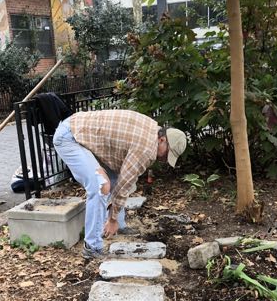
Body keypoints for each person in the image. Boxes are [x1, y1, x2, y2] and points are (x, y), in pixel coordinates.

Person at [53, 109, 187, 259]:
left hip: (81, 132)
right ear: (162, 140)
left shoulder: (153, 131)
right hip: (71, 137)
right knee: (101, 186)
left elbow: (124, 178)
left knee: (114, 179)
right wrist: (112, 218)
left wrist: (115, 217)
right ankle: (92, 247)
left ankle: (119, 226)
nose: (165, 159)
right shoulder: (146, 149)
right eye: (167, 153)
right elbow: (124, 184)